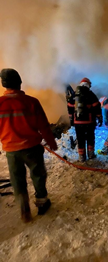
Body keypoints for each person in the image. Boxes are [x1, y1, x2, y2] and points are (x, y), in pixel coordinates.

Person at [0, 68, 57, 223]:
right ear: (19, 82)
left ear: (4, 84)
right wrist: (51, 143)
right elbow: (44, 126)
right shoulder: (32, 102)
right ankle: (42, 202)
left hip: (11, 151)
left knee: (17, 179)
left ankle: (24, 209)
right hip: (32, 148)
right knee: (38, 174)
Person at [67, 78, 102, 162]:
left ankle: (82, 157)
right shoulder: (90, 94)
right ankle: (91, 155)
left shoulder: (74, 94)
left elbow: (70, 106)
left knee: (80, 139)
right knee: (90, 137)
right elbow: (96, 106)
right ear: (88, 85)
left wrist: (71, 117)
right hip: (89, 121)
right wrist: (99, 116)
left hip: (77, 122)